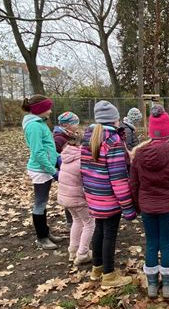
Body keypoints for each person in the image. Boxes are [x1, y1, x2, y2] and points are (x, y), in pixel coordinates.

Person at [130, 105, 169, 299]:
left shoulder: (138, 156)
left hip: (147, 207)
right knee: (166, 244)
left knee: (151, 243)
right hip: (168, 208)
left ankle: (153, 284)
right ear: (168, 131)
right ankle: (168, 285)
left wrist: (138, 206)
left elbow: (134, 184)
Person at [80, 100, 136, 288]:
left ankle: (97, 268)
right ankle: (109, 276)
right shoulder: (114, 142)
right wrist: (128, 207)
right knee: (109, 234)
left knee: (99, 230)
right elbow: (119, 179)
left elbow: (85, 170)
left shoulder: (88, 138)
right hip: (109, 198)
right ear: (115, 120)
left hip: (93, 195)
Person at [22, 94, 63, 250]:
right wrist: (53, 171)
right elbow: (38, 152)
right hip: (41, 170)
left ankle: (45, 232)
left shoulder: (40, 123)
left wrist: (58, 158)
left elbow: (48, 147)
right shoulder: (34, 126)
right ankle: (41, 238)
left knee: (43, 202)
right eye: (48, 108)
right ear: (40, 109)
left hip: (44, 168)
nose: (50, 111)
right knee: (40, 203)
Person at [57, 136, 95, 266]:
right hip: (77, 198)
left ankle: (73, 250)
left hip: (65, 197)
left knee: (77, 220)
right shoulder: (81, 161)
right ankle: (83, 253)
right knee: (89, 223)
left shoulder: (66, 158)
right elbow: (88, 182)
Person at [53, 111, 81, 228]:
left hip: (71, 170)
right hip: (66, 171)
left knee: (73, 194)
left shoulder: (69, 135)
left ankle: (74, 219)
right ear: (66, 125)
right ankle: (71, 221)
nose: (77, 126)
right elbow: (58, 155)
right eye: (75, 123)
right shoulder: (59, 139)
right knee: (69, 194)